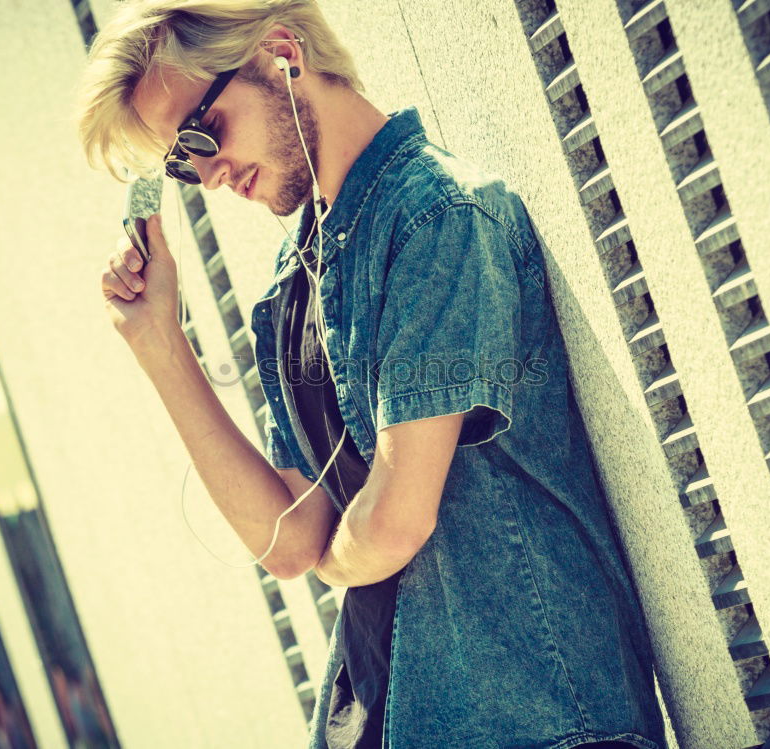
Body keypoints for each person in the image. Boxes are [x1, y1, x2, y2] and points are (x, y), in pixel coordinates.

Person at [76, 2, 669, 748]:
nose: (211, 171)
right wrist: (161, 344)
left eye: (205, 132)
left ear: (282, 52)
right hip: (398, 718)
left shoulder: (438, 217)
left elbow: (394, 521)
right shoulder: (289, 289)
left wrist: (338, 557)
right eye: (181, 163)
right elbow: (291, 541)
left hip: (538, 718)